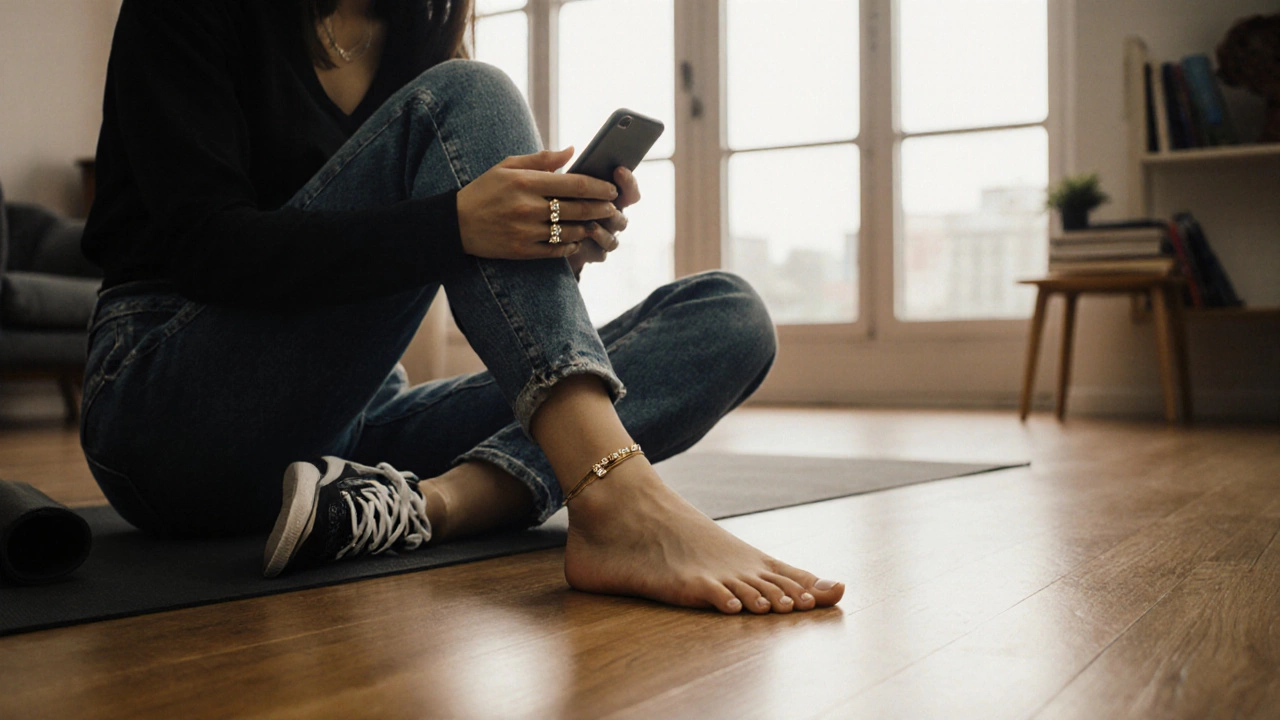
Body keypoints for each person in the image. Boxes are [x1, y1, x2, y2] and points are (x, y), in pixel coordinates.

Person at [80, 0, 845, 615]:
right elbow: (207, 249)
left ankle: (429, 506)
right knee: (473, 92)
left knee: (729, 315)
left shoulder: (416, 35)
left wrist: (548, 239)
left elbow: (443, 267)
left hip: (348, 429)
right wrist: (454, 225)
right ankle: (615, 497)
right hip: (171, 411)